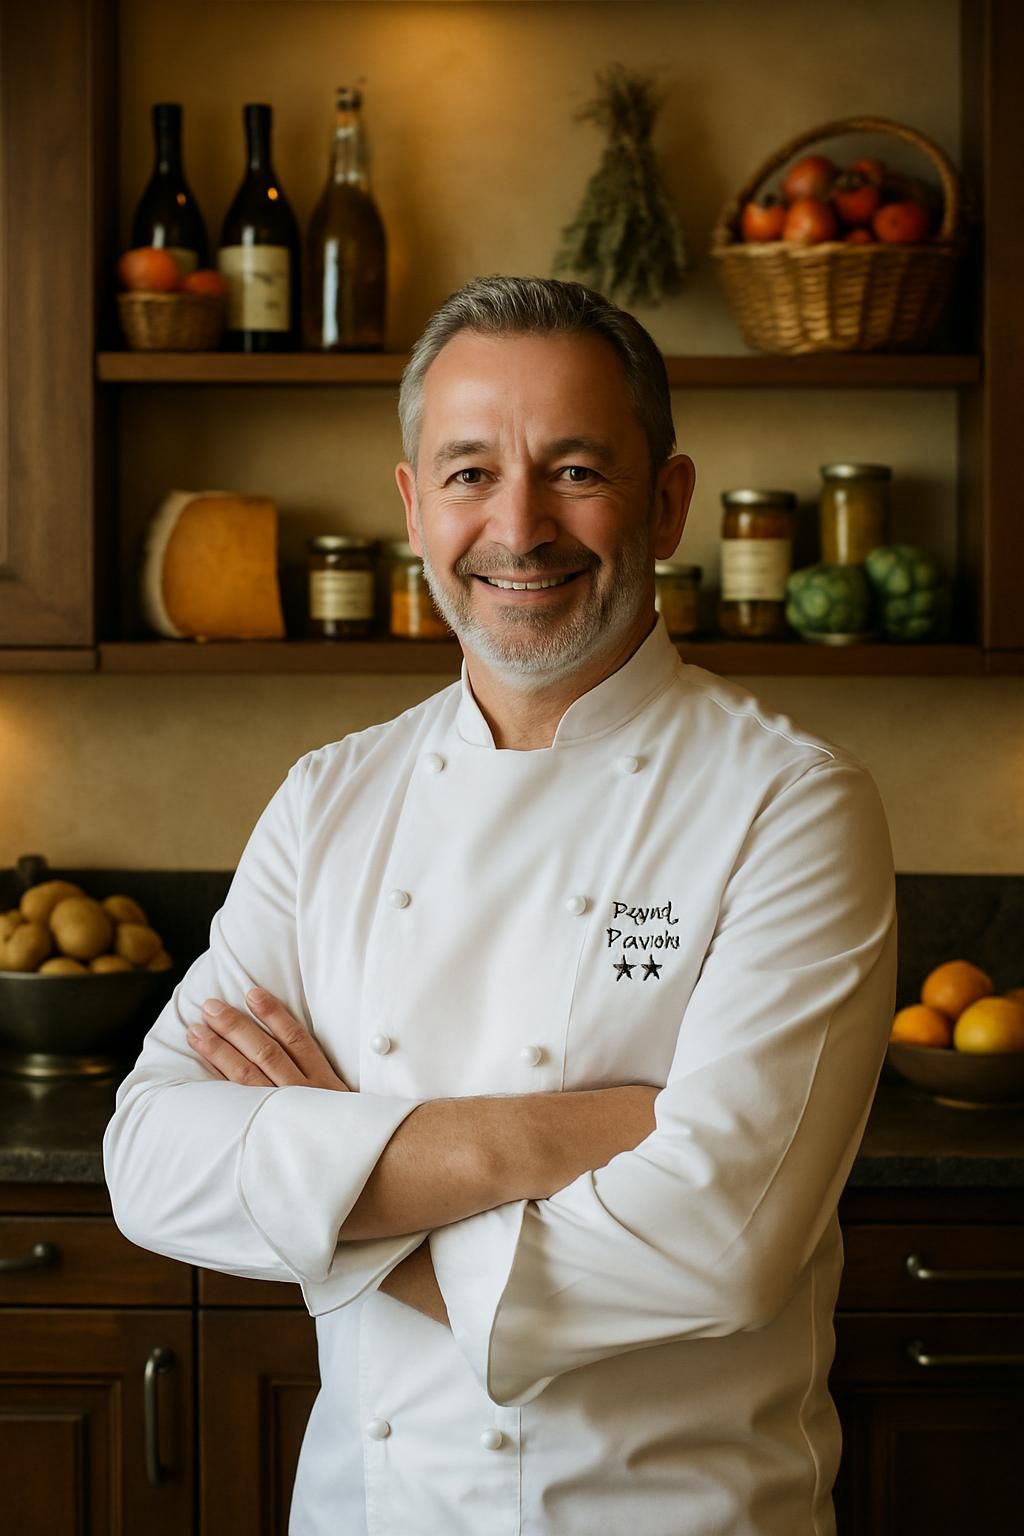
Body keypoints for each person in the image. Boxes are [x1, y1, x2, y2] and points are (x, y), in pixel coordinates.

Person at [103, 275, 897, 1536]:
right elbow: (150, 1160)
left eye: (575, 469)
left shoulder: (788, 806)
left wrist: (324, 1188)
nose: (519, 527)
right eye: (470, 473)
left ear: (671, 502)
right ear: (415, 507)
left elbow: (716, 1245)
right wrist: (540, 1140)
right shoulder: (329, 801)